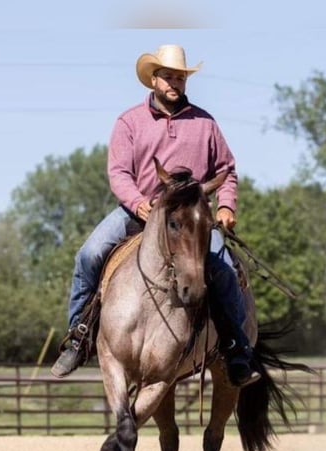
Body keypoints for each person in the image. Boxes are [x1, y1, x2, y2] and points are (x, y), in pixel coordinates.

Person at [50, 44, 261, 387]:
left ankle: (236, 349)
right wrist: (137, 202)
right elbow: (118, 172)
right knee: (88, 255)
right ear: (153, 79)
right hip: (140, 210)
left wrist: (225, 205)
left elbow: (227, 170)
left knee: (222, 267)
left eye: (180, 77)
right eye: (168, 76)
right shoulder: (129, 122)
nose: (175, 83)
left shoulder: (205, 123)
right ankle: (80, 335)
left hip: (190, 219)